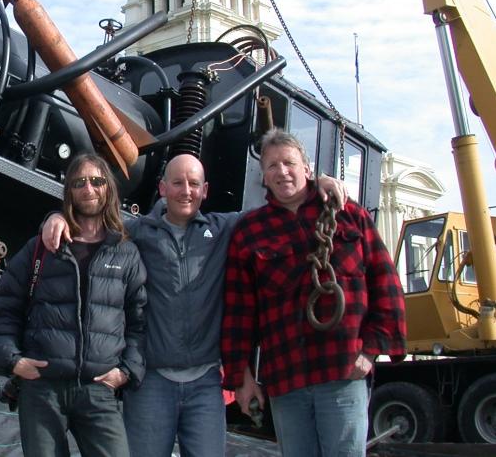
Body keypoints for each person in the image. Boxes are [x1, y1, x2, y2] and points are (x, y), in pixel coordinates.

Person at [42, 153, 346, 457]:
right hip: (151, 383)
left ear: (205, 191)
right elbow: (91, 227)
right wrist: (55, 217)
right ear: (162, 188)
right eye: (177, 183)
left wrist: (315, 182)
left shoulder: (225, 229)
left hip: (205, 384)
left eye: (193, 184)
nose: (185, 191)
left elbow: (274, 210)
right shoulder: (136, 233)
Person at [221, 128, 406, 457]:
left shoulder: (349, 215)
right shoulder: (249, 233)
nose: (282, 171)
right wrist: (242, 377)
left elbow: (386, 283)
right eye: (272, 166)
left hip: (343, 369)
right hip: (286, 379)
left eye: (289, 163)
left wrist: (371, 351)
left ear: (307, 169)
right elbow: (240, 313)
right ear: (263, 176)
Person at [0, 153, 147, 457]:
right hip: (42, 386)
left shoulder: (126, 254)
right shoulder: (42, 247)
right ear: (69, 191)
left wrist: (126, 371)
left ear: (108, 189)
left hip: (99, 389)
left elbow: (139, 322)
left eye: (97, 181)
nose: (89, 188)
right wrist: (11, 360)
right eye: (80, 182)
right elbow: (5, 308)